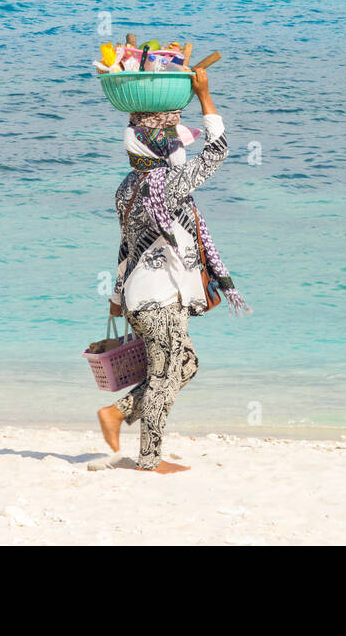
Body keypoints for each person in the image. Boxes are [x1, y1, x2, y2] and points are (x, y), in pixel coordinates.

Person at [97, 67, 249, 474]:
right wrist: (204, 95)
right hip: (158, 299)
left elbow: (126, 246)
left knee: (185, 365)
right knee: (165, 376)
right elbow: (218, 151)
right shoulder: (169, 184)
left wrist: (115, 298)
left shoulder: (127, 187)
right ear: (160, 151)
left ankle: (118, 412)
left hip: (142, 297)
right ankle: (150, 460)